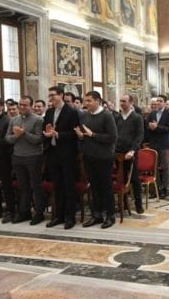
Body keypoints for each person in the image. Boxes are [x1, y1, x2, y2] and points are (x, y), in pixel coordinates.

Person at [75, 91, 118, 229]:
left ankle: (110, 215)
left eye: (89, 101)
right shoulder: (85, 116)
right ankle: (97, 215)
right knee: (94, 187)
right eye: (85, 101)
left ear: (97, 101)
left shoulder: (107, 115)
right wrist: (81, 136)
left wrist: (92, 135)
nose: (85, 104)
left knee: (106, 187)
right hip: (89, 156)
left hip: (104, 157)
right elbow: (85, 136)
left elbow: (112, 137)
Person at [43, 86, 80, 229]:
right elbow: (46, 130)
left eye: (53, 95)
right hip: (52, 153)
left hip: (67, 154)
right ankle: (58, 216)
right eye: (49, 95)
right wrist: (46, 134)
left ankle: (70, 217)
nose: (51, 98)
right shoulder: (50, 111)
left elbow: (74, 134)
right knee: (57, 186)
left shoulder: (71, 112)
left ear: (61, 95)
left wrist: (58, 134)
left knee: (68, 186)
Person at [5, 96, 45, 225]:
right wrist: (16, 135)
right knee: (23, 187)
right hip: (17, 157)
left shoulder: (38, 120)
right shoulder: (14, 120)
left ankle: (39, 213)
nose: (22, 107)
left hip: (33, 157)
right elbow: (8, 138)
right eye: (20, 105)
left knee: (35, 186)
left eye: (25, 105)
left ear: (31, 106)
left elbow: (39, 139)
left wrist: (24, 134)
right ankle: (24, 212)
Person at [115, 94, 144, 212]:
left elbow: (139, 135)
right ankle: (124, 204)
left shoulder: (137, 117)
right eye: (120, 101)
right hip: (118, 153)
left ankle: (138, 204)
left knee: (134, 179)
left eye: (124, 101)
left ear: (131, 102)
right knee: (121, 178)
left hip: (131, 152)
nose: (122, 103)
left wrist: (132, 150)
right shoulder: (117, 117)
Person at [146, 96, 169, 197]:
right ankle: (155, 189)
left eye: (160, 101)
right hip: (153, 143)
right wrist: (150, 127)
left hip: (164, 144)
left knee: (164, 167)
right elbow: (147, 126)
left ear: (164, 103)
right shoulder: (152, 114)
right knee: (154, 167)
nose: (158, 103)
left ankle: (164, 188)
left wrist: (157, 127)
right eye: (157, 101)